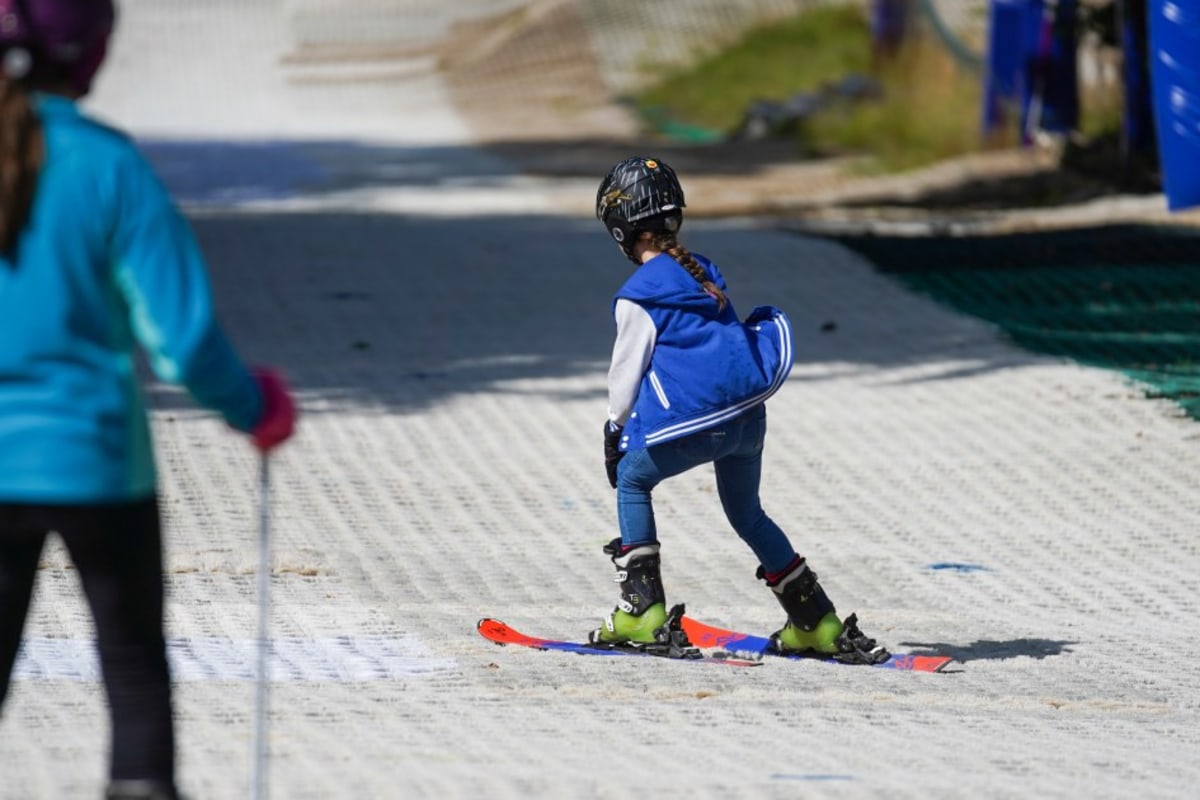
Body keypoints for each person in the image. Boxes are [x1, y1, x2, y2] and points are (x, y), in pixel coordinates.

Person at [0, 2, 296, 798]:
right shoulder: (108, 165)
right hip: (96, 468)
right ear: (91, 50)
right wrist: (252, 406)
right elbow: (183, 341)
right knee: (132, 670)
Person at [591, 156, 885, 664]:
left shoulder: (637, 296)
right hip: (748, 419)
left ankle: (642, 612)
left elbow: (626, 376)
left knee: (634, 481)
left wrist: (615, 431)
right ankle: (815, 621)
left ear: (620, 229)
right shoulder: (701, 270)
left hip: (702, 426)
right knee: (747, 513)